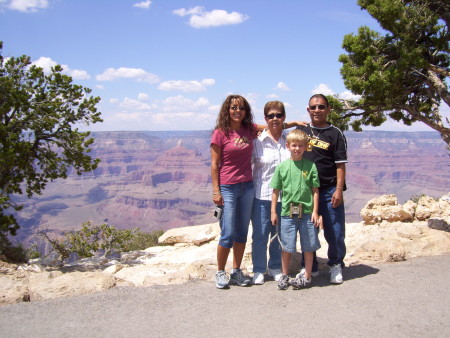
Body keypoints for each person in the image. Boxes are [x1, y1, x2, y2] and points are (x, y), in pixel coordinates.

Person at [297, 94, 347, 284]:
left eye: (321, 107)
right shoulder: (301, 130)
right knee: (308, 230)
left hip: (328, 189)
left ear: (328, 109)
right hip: (306, 191)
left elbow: (340, 164)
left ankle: (336, 265)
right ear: (308, 110)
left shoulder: (335, 133)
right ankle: (309, 266)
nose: (317, 110)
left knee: (334, 231)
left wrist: (339, 190)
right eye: (313, 107)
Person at [210, 94, 257, 289]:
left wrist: (294, 123)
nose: (238, 111)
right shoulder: (220, 133)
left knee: (242, 233)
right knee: (228, 233)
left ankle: (236, 272)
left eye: (241, 108)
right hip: (228, 187)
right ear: (227, 111)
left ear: (246, 112)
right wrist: (216, 191)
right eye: (234, 108)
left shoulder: (249, 130)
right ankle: (220, 272)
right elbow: (214, 164)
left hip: (247, 186)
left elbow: (272, 126)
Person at [270, 129, 321, 290]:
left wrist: (315, 211)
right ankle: (284, 275)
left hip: (307, 213)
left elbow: (315, 190)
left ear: (306, 147)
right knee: (287, 246)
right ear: (288, 146)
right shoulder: (282, 167)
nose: (297, 149)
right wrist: (273, 211)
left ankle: (307, 275)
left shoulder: (310, 166)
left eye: (300, 145)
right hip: (287, 213)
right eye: (294, 145)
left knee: (308, 246)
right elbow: (276, 191)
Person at [251, 101, 290, 285]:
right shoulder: (256, 142)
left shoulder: (290, 141)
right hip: (262, 196)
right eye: (271, 115)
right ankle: (258, 269)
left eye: (279, 115)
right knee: (260, 235)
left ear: (284, 117)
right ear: (265, 118)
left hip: (286, 197)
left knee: (279, 235)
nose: (275, 119)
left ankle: (274, 266)